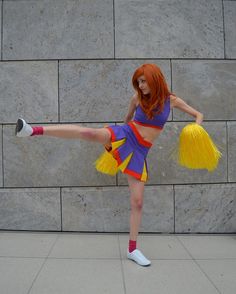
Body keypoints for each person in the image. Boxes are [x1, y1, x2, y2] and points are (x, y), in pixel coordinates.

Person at [15, 63, 203, 267]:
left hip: (140, 152)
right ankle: (32, 130)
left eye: (143, 81)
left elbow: (198, 115)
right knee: (89, 133)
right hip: (126, 136)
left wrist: (195, 129)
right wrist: (116, 138)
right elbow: (127, 119)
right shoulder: (137, 98)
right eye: (138, 82)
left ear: (154, 79)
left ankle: (133, 250)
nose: (140, 86)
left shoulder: (171, 100)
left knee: (137, 202)